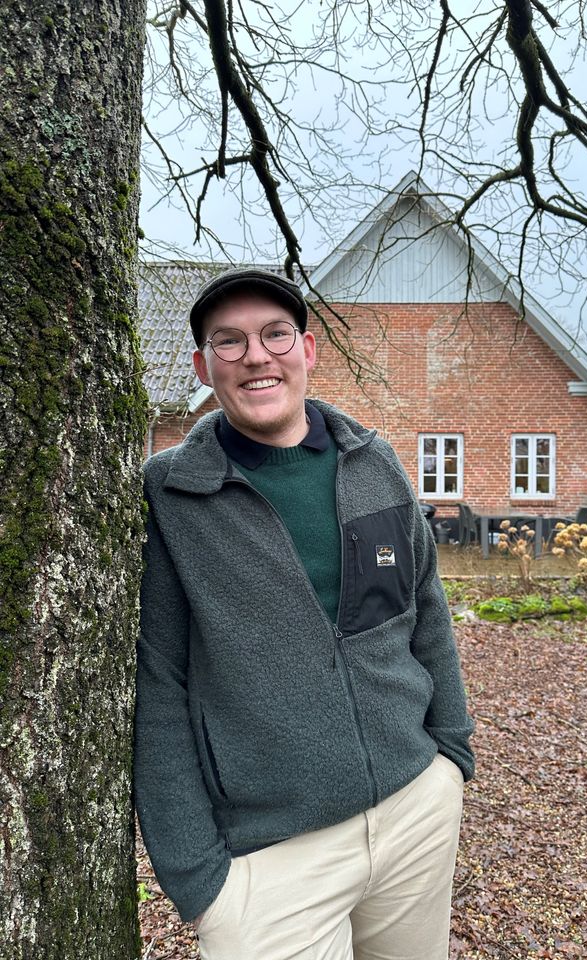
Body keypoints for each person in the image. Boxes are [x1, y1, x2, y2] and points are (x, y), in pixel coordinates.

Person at [134, 268, 475, 960]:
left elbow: (426, 613)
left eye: (274, 334)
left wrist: (451, 756)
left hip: (415, 813)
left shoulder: (374, 463)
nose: (256, 356)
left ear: (308, 349)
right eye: (228, 343)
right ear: (203, 366)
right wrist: (198, 878)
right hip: (273, 860)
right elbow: (159, 681)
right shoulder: (173, 494)